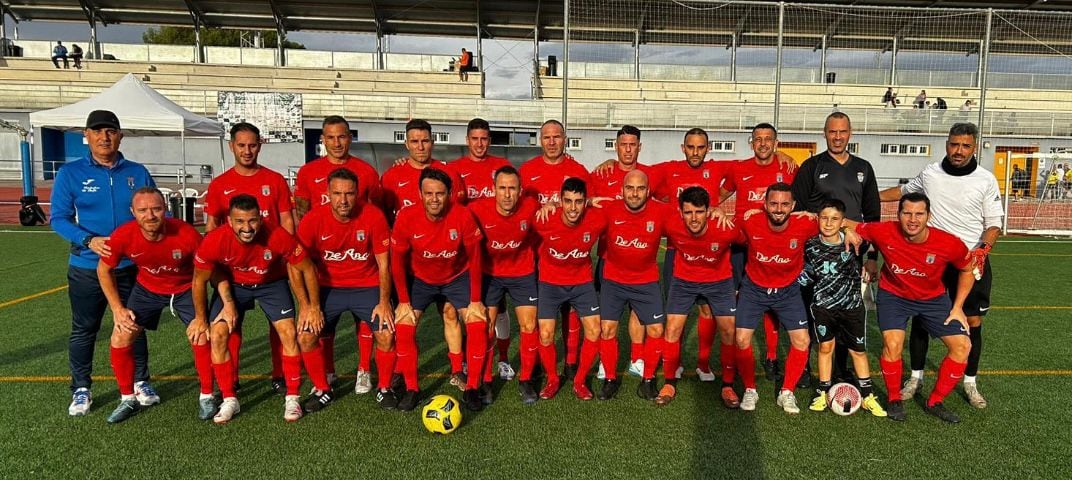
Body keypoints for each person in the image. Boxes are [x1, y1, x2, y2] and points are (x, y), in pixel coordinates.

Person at [880, 123, 1002, 410]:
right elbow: (902, 191)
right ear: (947, 144)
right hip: (931, 261)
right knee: (921, 319)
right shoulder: (930, 173)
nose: (958, 151)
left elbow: (994, 224)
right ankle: (916, 377)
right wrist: (865, 196)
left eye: (965, 146)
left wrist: (982, 250)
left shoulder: (985, 180)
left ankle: (970, 382)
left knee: (971, 323)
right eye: (953, 144)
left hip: (968, 262)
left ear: (974, 147)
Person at [50, 109, 159, 416]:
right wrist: (88, 240)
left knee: (132, 324)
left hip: (129, 268)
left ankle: (140, 381)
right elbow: (58, 218)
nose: (104, 137)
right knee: (85, 328)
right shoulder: (70, 173)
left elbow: (153, 211)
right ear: (86, 135)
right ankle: (82, 388)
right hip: (87, 267)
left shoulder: (137, 172)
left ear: (120, 135)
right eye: (97, 131)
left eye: (110, 131)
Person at [192, 194, 325, 423]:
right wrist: (201, 319)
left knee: (288, 333)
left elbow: (307, 268)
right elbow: (199, 281)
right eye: (240, 222)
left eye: (252, 220)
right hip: (234, 286)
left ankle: (292, 397)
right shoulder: (215, 240)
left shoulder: (277, 236)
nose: (247, 227)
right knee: (218, 334)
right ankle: (229, 398)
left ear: (261, 219)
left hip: (271, 284)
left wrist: (311, 306)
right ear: (230, 221)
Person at [849, 192, 976, 423]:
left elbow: (968, 269)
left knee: (963, 346)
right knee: (892, 344)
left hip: (933, 299)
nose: (913, 219)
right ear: (898, 215)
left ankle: (935, 401)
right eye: (907, 213)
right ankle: (894, 399)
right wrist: (848, 229)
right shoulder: (885, 230)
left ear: (929, 216)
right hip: (894, 296)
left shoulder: (949, 243)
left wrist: (957, 307)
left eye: (919, 214)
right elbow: (849, 223)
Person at [98, 187, 209, 423]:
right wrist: (117, 309)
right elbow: (103, 269)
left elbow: (207, 270)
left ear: (166, 209)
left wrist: (203, 314)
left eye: (156, 209)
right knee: (120, 336)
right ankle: (128, 398)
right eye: (143, 210)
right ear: (133, 212)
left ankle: (207, 396)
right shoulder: (123, 235)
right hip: (147, 290)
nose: (150, 215)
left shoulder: (186, 233)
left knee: (201, 336)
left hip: (184, 290)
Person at [202, 122, 295, 394]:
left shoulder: (274, 180)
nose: (247, 151)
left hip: (271, 271)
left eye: (252, 145)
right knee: (230, 323)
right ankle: (230, 378)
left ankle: (280, 375)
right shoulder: (220, 184)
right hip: (234, 273)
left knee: (280, 325)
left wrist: (284, 256)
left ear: (260, 145)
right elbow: (211, 228)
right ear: (231, 146)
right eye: (241, 145)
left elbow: (288, 223)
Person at [791, 112, 880, 386]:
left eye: (842, 132)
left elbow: (873, 217)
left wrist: (872, 257)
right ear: (825, 133)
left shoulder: (864, 167)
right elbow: (800, 210)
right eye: (832, 132)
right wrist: (838, 229)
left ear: (850, 133)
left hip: (850, 255)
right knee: (811, 309)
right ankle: (804, 367)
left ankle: (842, 370)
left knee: (845, 311)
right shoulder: (812, 166)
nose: (837, 136)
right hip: (816, 254)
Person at [293, 115, 380, 390]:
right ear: (322, 139)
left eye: (341, 136)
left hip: (359, 259)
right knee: (322, 323)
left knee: (363, 319)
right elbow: (302, 213)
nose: (336, 142)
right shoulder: (308, 172)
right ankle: (328, 372)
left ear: (350, 137)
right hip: (323, 263)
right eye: (330, 137)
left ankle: (364, 368)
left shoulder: (366, 172)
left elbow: (373, 213)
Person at [296, 168, 395, 410]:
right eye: (337, 193)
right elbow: (295, 266)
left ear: (357, 193)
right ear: (327, 193)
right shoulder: (313, 219)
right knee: (306, 336)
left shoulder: (373, 216)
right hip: (328, 289)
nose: (343, 200)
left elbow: (384, 264)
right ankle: (322, 389)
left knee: (386, 333)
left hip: (367, 286)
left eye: (349, 193)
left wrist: (384, 302)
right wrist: (308, 306)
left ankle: (384, 387)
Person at [390, 168, 487, 412]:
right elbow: (396, 260)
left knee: (476, 321)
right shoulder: (406, 216)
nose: (434, 199)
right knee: (404, 324)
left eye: (440, 194)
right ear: (420, 194)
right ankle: (412, 388)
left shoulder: (462, 215)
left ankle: (472, 387)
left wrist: (475, 300)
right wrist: (402, 300)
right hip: (420, 279)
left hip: (456, 277)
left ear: (450, 194)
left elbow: (475, 258)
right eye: (429, 193)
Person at [379, 119, 467, 386]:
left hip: (446, 263)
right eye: (414, 141)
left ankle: (457, 368)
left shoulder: (448, 174)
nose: (420, 146)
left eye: (425, 140)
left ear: (433, 141)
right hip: (408, 265)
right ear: (406, 143)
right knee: (403, 319)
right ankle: (400, 370)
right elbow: (385, 216)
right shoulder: (392, 176)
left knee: (450, 313)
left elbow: (457, 216)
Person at [733, 183, 829, 414]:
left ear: (794, 206)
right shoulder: (750, 221)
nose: (779, 209)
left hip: (788, 292)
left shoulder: (805, 224)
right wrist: (716, 211)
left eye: (785, 204)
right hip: (754, 289)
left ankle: (787, 392)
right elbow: (723, 226)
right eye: (773, 203)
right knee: (742, 339)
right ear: (764, 205)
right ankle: (749, 389)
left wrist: (849, 228)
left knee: (802, 341)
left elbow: (834, 222)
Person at [719, 123, 796, 386]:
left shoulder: (787, 168)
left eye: (768, 139)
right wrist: (713, 210)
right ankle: (738, 357)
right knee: (738, 300)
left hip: (773, 247)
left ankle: (772, 356)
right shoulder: (739, 168)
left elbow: (797, 201)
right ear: (751, 143)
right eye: (758, 139)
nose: (762, 143)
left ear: (776, 143)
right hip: (741, 245)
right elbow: (720, 193)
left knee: (772, 303)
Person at [800, 199, 887, 417]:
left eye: (835, 219)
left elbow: (877, 239)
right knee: (825, 348)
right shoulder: (809, 244)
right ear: (817, 219)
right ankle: (822, 391)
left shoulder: (855, 242)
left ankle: (867, 396)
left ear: (842, 221)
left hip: (852, 306)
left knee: (857, 351)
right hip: (823, 307)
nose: (829, 223)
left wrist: (870, 259)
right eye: (824, 218)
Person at [519, 119, 590, 378]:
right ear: (541, 140)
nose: (551, 142)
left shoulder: (578, 170)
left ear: (564, 139)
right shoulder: (527, 171)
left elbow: (587, 204)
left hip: (570, 254)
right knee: (541, 311)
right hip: (536, 253)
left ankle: (571, 360)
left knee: (571, 310)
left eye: (557, 137)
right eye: (547, 137)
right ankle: (538, 357)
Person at [594, 170, 671, 404]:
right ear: (622, 190)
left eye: (640, 189)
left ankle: (648, 380)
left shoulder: (661, 211)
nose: (635, 193)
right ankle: (609, 379)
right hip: (614, 281)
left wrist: (714, 210)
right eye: (630, 188)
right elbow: (576, 217)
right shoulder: (609, 210)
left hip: (646, 281)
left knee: (656, 330)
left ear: (648, 191)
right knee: (607, 329)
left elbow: (690, 218)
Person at [588, 125, 657, 383]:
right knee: (608, 316)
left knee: (638, 313)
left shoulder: (650, 175)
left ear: (639, 147)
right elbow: (583, 201)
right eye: (623, 144)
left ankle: (637, 359)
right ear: (616, 146)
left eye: (632, 144)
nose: (628, 149)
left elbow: (669, 201)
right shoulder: (601, 174)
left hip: (642, 264)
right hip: (610, 259)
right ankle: (607, 364)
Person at [664, 186, 743, 409]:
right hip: (684, 280)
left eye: (699, 212)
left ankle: (727, 385)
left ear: (709, 211)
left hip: (719, 281)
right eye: (688, 212)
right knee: (672, 328)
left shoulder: (725, 228)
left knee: (729, 330)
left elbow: (750, 239)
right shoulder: (671, 225)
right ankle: (669, 381)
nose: (694, 218)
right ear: (680, 212)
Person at [448, 118, 514, 381]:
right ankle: (466, 361)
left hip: (498, 249)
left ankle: (504, 359)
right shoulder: (454, 169)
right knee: (469, 310)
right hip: (465, 250)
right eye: (475, 138)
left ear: (490, 140)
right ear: (467, 140)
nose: (479, 143)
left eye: (484, 138)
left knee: (500, 307)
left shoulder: (502, 167)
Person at [469, 166, 541, 405]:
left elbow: (555, 215)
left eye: (512, 188)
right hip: (491, 274)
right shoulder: (477, 210)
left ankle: (526, 380)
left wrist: (551, 207)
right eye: (502, 188)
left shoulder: (531, 207)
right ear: (493, 190)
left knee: (529, 326)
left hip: (523, 273)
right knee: (486, 328)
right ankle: (487, 381)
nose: (507, 194)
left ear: (520, 191)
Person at [532, 177, 607, 401]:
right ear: (560, 201)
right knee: (545, 334)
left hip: (582, 282)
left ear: (585, 202)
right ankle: (553, 379)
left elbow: (625, 205)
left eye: (579, 201)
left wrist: (593, 201)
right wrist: (550, 205)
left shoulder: (597, 218)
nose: (573, 208)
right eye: (568, 201)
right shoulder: (544, 219)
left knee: (594, 330)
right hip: (550, 282)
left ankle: (579, 380)